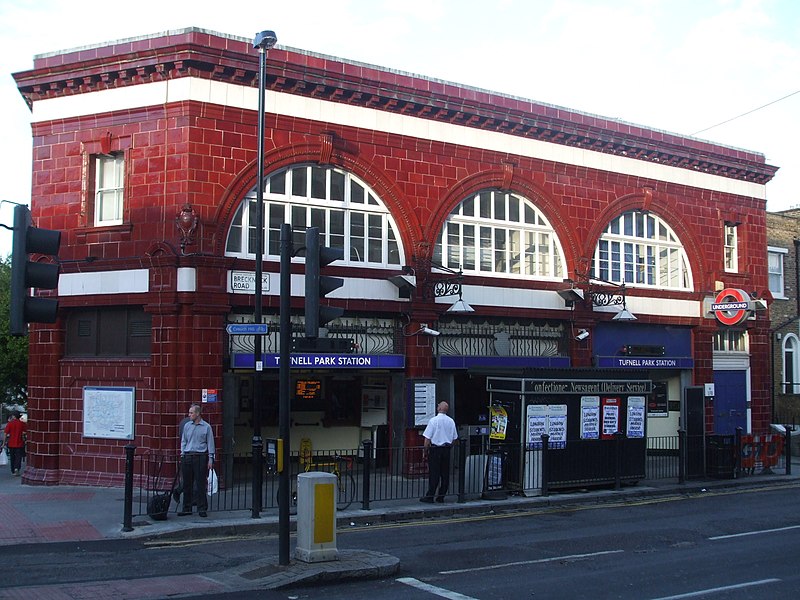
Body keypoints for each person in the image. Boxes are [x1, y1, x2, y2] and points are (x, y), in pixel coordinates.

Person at [179, 404, 215, 517]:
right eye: (189, 413)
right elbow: (184, 440)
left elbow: (210, 444)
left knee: (200, 484)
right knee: (187, 484)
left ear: (198, 414)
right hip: (188, 456)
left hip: (200, 456)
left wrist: (211, 459)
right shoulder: (187, 426)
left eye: (191, 413)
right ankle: (186, 508)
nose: (189, 415)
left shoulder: (207, 427)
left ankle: (202, 508)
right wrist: (183, 453)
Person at [420, 401, 458, 503]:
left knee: (434, 473)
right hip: (446, 449)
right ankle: (441, 496)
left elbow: (427, 438)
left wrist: (425, 450)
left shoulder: (433, 421)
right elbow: (454, 438)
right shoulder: (451, 421)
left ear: (439, 408)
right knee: (445, 474)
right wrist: (450, 446)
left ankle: (430, 496)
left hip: (435, 449)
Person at [4, 411, 28, 477]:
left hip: (11, 443)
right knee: (18, 457)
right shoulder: (22, 424)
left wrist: (3, 443)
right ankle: (17, 468)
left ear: (14, 416)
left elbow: (5, 434)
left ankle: (13, 470)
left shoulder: (10, 424)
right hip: (19, 443)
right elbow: (27, 430)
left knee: (12, 457)